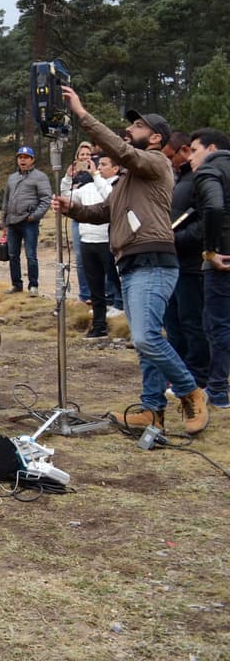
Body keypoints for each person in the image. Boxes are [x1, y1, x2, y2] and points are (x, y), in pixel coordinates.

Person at [51, 94, 208, 434]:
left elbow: (121, 151)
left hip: (152, 260)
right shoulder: (127, 180)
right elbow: (104, 212)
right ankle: (152, 409)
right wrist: (72, 208)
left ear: (155, 138)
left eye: (137, 125)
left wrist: (81, 114)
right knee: (146, 342)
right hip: (132, 263)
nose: (128, 128)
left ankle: (191, 392)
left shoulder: (154, 162)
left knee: (147, 338)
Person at [162, 131, 210, 386]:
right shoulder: (179, 180)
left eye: (170, 157)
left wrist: (175, 238)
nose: (168, 163)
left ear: (183, 151)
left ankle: (197, 376)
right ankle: (178, 374)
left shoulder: (202, 181)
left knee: (192, 322)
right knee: (174, 322)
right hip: (173, 263)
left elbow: (205, 224)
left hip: (192, 265)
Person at [190, 127, 230, 408]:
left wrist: (210, 249)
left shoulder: (209, 171)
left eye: (194, 150)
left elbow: (214, 208)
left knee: (217, 326)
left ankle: (217, 391)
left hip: (223, 261)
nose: (190, 157)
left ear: (212, 149)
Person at [74, 154, 121, 338]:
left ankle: (128, 319)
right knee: (95, 288)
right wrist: (69, 177)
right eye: (98, 164)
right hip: (87, 241)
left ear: (115, 168)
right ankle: (99, 325)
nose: (98, 167)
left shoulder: (117, 185)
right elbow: (68, 197)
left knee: (117, 282)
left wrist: (95, 175)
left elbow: (110, 199)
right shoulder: (88, 186)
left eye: (104, 164)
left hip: (107, 242)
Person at [1, 146, 52, 295]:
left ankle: (33, 285)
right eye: (20, 157)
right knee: (12, 255)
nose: (22, 160)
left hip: (29, 222)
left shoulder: (40, 177)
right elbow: (6, 200)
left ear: (32, 159)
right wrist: (4, 222)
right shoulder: (12, 177)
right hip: (12, 222)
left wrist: (34, 216)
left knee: (31, 255)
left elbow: (46, 199)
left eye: (26, 157)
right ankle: (16, 284)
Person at [62, 141, 97, 304]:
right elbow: (65, 195)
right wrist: (68, 177)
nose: (85, 157)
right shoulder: (72, 175)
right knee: (80, 256)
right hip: (78, 218)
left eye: (88, 154)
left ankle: (100, 292)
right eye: (82, 154)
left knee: (98, 257)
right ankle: (85, 293)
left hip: (97, 217)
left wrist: (94, 173)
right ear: (77, 157)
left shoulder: (98, 172)